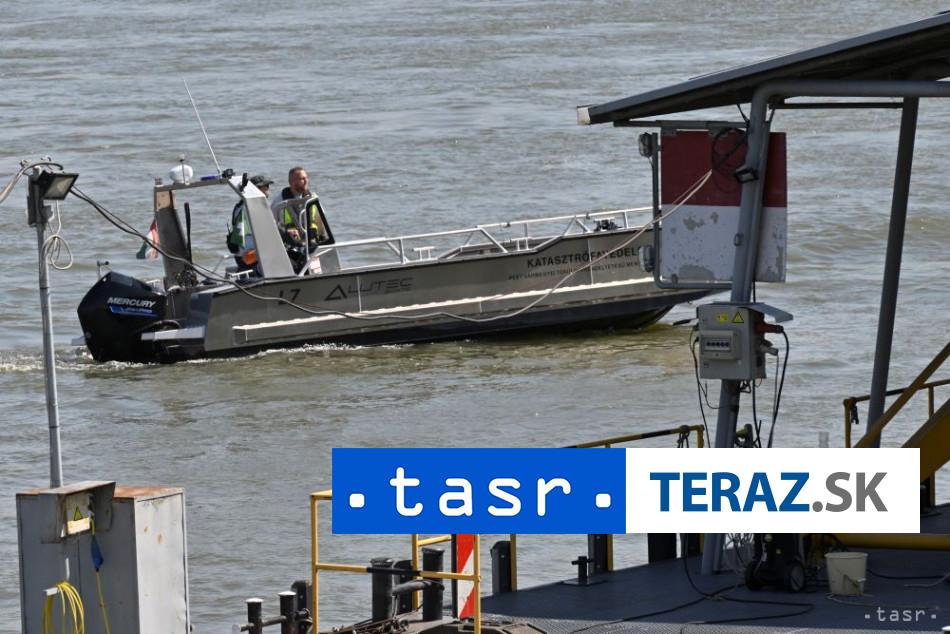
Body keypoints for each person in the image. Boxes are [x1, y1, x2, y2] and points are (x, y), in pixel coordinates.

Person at [270, 166, 327, 249]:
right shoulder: (279, 202)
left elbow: (321, 223)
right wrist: (285, 232)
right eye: (302, 179)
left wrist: (324, 243)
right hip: (290, 247)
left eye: (306, 178)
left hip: (313, 244)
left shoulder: (312, 198)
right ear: (292, 182)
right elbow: (271, 226)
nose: (306, 181)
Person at [227, 174, 273, 272]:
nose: (268, 189)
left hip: (243, 257)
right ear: (256, 190)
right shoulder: (251, 208)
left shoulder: (241, 206)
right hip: (250, 258)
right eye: (266, 186)